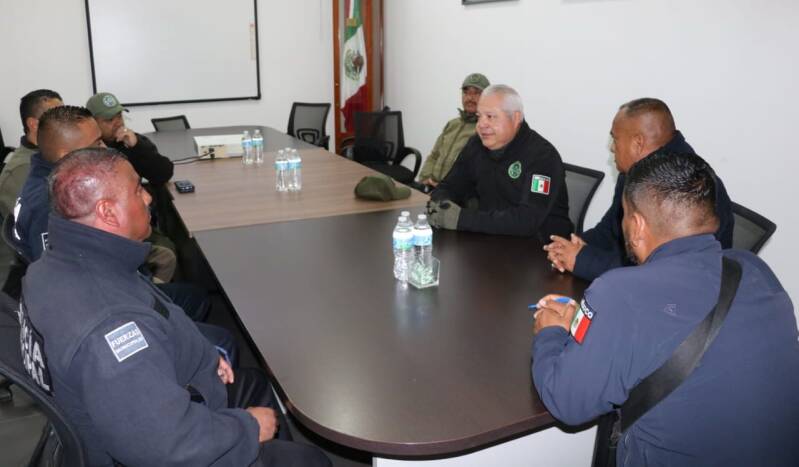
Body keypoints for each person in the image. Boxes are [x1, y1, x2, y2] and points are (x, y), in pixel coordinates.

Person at [19, 147, 330, 466]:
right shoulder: (110, 328)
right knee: (307, 459)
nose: (148, 197)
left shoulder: (56, 266)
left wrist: (201, 351)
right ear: (108, 212)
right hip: (171, 445)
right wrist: (248, 428)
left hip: (148, 400)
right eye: (137, 189)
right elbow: (164, 445)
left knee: (253, 383)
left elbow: (153, 314)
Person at [531, 152, 799, 467]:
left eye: (624, 216)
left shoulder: (619, 292)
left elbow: (567, 402)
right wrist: (592, 324)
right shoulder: (754, 270)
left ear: (637, 225)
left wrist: (549, 332)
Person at [544, 98, 734, 281]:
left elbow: (661, 270)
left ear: (638, 143)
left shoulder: (685, 186)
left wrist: (583, 260)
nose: (612, 148)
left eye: (615, 139)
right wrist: (569, 247)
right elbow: (610, 230)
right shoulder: (637, 171)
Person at [427, 84, 572, 240]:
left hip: (540, 246)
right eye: (479, 116)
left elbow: (527, 220)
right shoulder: (476, 145)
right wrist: (441, 205)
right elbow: (448, 186)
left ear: (515, 118)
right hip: (491, 238)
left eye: (490, 116)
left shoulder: (542, 156)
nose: (481, 124)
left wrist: (461, 219)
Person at [415, 73, 490, 193]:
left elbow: (476, 173)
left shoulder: (485, 130)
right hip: (431, 186)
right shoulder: (452, 124)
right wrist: (424, 179)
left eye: (476, 93)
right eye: (466, 92)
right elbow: (434, 155)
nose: (470, 98)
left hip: (454, 194)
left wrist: (444, 189)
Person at [86, 92, 174, 185]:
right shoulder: (87, 151)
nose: (118, 123)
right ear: (93, 123)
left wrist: (137, 146)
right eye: (110, 120)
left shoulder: (132, 142)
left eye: (119, 116)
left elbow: (163, 175)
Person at [0, 89, 63, 218]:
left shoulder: (55, 153)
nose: (66, 123)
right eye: (58, 117)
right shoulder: (21, 170)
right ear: (34, 124)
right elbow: (37, 222)